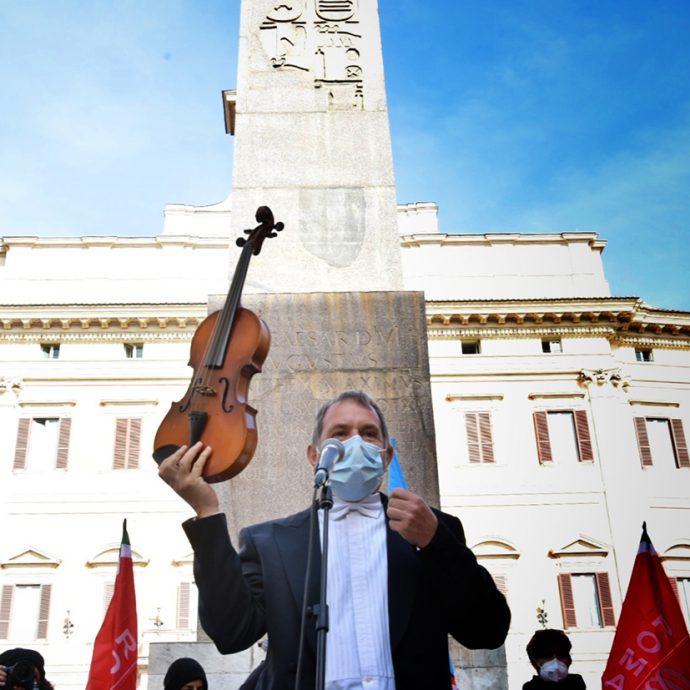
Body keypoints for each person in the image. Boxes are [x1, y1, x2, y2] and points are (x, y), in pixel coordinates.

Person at [159, 390, 511, 690]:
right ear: (315, 457)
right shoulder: (270, 543)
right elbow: (230, 632)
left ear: (386, 456)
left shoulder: (433, 529)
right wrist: (206, 511)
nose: (355, 441)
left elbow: (488, 630)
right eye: (339, 433)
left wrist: (436, 543)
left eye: (369, 433)